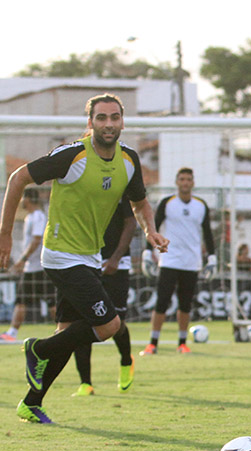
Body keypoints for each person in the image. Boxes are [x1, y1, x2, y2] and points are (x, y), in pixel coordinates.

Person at [0, 93, 168, 423]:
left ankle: (31, 403)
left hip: (89, 257)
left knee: (66, 332)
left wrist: (150, 231)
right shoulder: (72, 155)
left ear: (122, 121)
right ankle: (38, 349)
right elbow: (17, 178)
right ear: (89, 122)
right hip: (61, 255)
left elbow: (140, 203)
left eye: (114, 117)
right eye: (101, 118)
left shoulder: (129, 160)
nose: (108, 124)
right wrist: (5, 234)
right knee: (108, 326)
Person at [139, 167, 215, 355]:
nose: (185, 183)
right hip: (169, 260)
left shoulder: (201, 205)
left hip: (191, 262)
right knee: (162, 302)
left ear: (193, 182)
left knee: (185, 304)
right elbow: (153, 228)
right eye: (182, 179)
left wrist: (212, 258)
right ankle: (153, 342)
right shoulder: (167, 203)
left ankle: (182, 342)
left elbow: (208, 233)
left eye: (188, 179)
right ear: (177, 182)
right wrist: (147, 253)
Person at [72, 198, 137, 395]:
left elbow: (131, 222)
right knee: (82, 321)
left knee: (116, 324)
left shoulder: (119, 185)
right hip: (86, 261)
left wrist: (116, 258)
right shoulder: (83, 186)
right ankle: (86, 383)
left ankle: (126, 360)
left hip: (117, 264)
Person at [1, 189, 56, 342]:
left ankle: (12, 333)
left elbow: (37, 239)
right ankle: (61, 330)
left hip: (36, 266)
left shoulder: (38, 216)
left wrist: (23, 259)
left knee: (23, 300)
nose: (20, 201)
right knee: (45, 301)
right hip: (36, 266)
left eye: (23, 198)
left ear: (28, 199)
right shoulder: (31, 217)